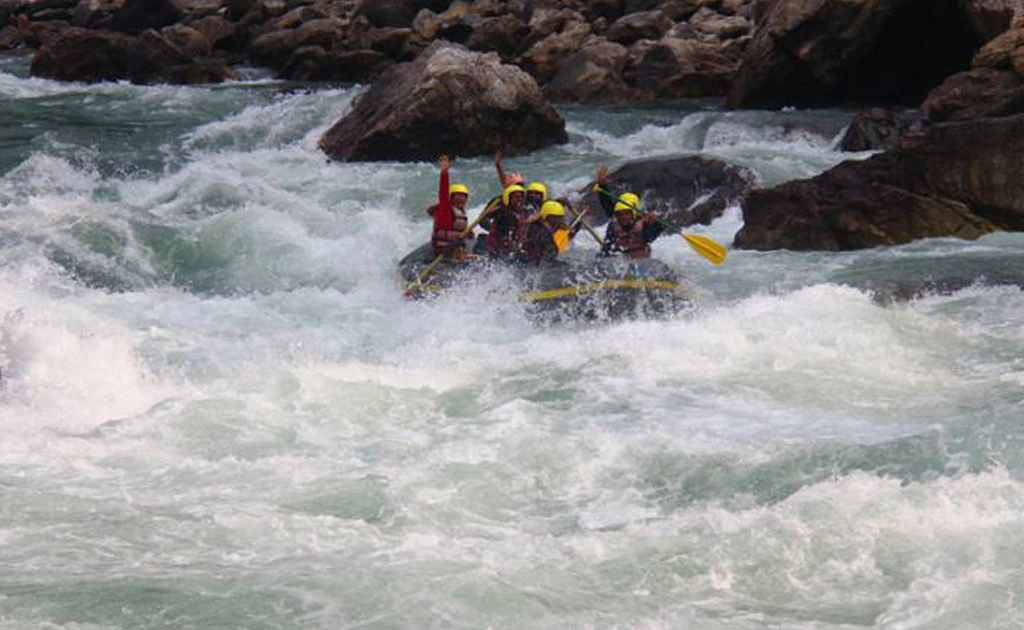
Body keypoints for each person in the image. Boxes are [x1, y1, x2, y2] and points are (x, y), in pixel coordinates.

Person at [593, 165, 664, 259]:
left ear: (633, 213)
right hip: (618, 262)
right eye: (620, 214)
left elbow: (653, 234)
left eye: (627, 213)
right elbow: (606, 202)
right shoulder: (615, 220)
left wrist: (655, 223)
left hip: (640, 262)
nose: (623, 217)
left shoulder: (644, 224)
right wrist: (602, 184)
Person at [427, 154, 471, 257]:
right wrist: (444, 173)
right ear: (451, 198)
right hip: (442, 252)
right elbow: (443, 193)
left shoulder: (461, 212)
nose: (461, 199)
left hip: (455, 251)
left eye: (463, 197)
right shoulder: (445, 209)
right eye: (458, 197)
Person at [518, 199, 587, 265]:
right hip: (528, 263)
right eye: (553, 218)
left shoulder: (551, 229)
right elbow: (549, 254)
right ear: (545, 217)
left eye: (559, 218)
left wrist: (579, 220)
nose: (556, 221)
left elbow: (569, 234)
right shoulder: (537, 229)